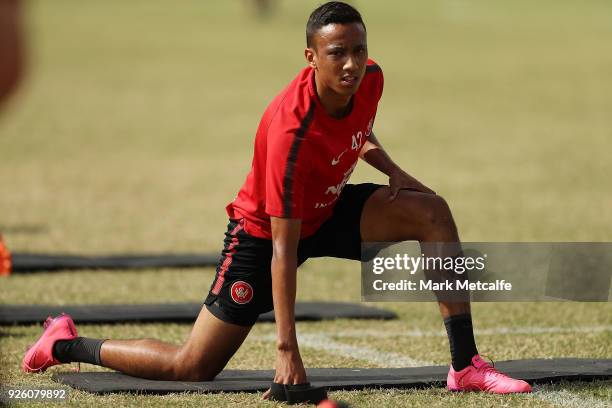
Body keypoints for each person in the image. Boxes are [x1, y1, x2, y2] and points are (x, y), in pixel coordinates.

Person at [22, 2, 531, 395]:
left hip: (326, 210)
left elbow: (359, 128)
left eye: (358, 50)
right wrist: (287, 350)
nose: (352, 64)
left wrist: (393, 170)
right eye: (338, 54)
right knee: (193, 366)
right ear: (311, 58)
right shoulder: (290, 132)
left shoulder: (370, 78)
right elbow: (284, 252)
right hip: (265, 236)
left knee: (433, 213)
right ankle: (64, 342)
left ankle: (465, 366)